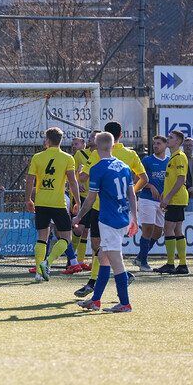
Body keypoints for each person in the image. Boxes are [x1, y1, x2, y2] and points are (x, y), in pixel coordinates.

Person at [74, 121, 148, 298]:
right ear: (120, 136)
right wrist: (122, 194)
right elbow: (143, 179)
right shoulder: (129, 156)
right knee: (105, 252)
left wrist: (82, 171)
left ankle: (108, 289)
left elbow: (83, 178)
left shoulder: (97, 156)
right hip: (121, 209)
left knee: (101, 249)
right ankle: (98, 294)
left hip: (102, 208)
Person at [25, 127, 83, 282]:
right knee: (66, 238)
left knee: (41, 238)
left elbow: (30, 179)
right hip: (58, 204)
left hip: (41, 203)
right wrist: (77, 201)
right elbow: (72, 181)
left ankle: (39, 272)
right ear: (60, 141)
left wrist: (28, 199)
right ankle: (47, 263)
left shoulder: (37, 157)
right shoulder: (67, 158)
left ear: (48, 141)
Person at [154, 130, 190, 275]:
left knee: (168, 229)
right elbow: (173, 178)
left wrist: (168, 197)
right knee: (176, 230)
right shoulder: (174, 156)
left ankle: (171, 263)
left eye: (171, 137)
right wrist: (165, 193)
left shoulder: (179, 157)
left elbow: (181, 179)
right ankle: (182, 264)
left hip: (176, 199)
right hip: (176, 198)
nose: (168, 139)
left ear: (178, 141)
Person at [132, 135, 168, 272]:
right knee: (148, 229)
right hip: (147, 199)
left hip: (161, 202)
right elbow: (137, 179)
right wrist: (150, 186)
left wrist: (167, 193)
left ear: (165, 145)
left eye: (159, 143)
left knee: (158, 232)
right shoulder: (147, 160)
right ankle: (143, 262)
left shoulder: (169, 161)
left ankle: (140, 257)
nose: (156, 146)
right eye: (154, 143)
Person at [69, 133, 95, 270]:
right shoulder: (79, 155)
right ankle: (71, 259)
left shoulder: (102, 155)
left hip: (95, 196)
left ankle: (79, 260)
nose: (91, 139)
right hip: (83, 196)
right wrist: (77, 183)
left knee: (86, 231)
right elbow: (71, 173)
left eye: (93, 137)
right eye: (90, 137)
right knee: (79, 229)